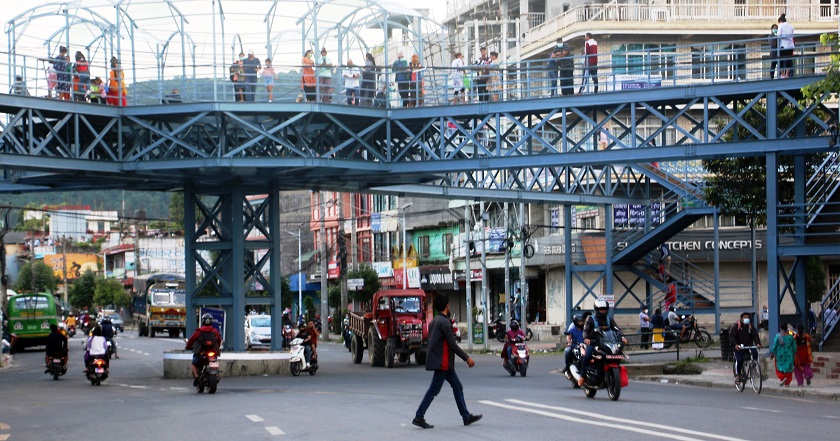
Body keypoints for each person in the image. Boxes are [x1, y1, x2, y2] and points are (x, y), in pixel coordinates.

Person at [413, 294, 481, 429]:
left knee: (457, 386)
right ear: (446, 306)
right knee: (434, 390)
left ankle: (466, 416)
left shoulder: (434, 322)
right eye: (449, 304)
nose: (449, 306)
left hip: (442, 362)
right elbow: (452, 344)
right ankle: (419, 416)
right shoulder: (444, 323)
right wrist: (467, 358)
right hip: (442, 362)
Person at [578, 300, 627, 387]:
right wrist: (586, 338)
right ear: (596, 309)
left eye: (604, 309)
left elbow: (617, 329)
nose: (603, 311)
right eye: (601, 309)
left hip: (607, 343)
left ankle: (613, 374)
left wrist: (622, 337)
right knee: (587, 356)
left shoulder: (609, 319)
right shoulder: (591, 319)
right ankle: (583, 375)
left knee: (617, 353)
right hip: (594, 342)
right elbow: (586, 330)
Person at [184, 313, 222, 387]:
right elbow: (219, 340)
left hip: (201, 353)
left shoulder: (198, 331)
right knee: (215, 362)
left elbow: (191, 340)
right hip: (213, 353)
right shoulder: (215, 331)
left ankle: (197, 377)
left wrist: (187, 347)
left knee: (194, 365)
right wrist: (217, 347)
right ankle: (217, 375)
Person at [729, 311, 760, 381]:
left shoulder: (750, 327)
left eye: (748, 318)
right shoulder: (736, 326)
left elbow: (755, 335)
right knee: (739, 360)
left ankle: (754, 367)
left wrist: (758, 343)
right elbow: (732, 336)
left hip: (748, 346)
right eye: (745, 317)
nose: (746, 319)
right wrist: (735, 344)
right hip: (738, 347)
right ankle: (738, 374)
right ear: (741, 319)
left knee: (755, 353)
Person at [563, 313, 585, 378]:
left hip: (584, 346)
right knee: (567, 351)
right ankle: (567, 368)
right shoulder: (572, 329)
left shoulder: (585, 329)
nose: (581, 323)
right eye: (579, 322)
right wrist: (571, 342)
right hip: (575, 346)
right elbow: (568, 338)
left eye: (582, 321)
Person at [777, 14, 795, 78]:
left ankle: (782, 74)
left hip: (783, 45)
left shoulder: (781, 25)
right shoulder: (791, 26)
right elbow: (792, 35)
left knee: (780, 60)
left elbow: (779, 35)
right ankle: (787, 74)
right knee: (789, 60)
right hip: (790, 45)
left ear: (780, 21)